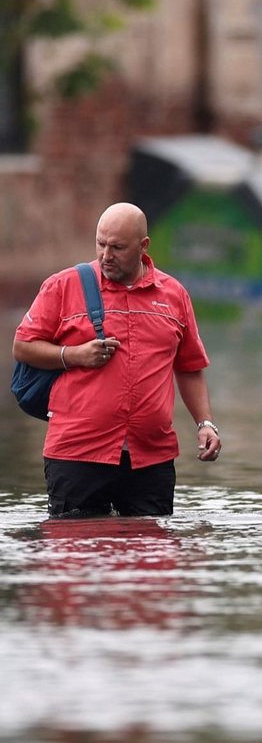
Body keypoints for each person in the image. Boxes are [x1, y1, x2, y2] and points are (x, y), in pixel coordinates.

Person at [12, 202, 222, 518]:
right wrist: (75, 355)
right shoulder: (63, 285)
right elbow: (23, 346)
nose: (106, 255)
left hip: (151, 455)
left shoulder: (174, 295)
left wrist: (205, 424)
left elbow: (190, 367)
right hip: (77, 452)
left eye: (118, 247)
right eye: (101, 244)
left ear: (143, 246)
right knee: (77, 552)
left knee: (151, 555)